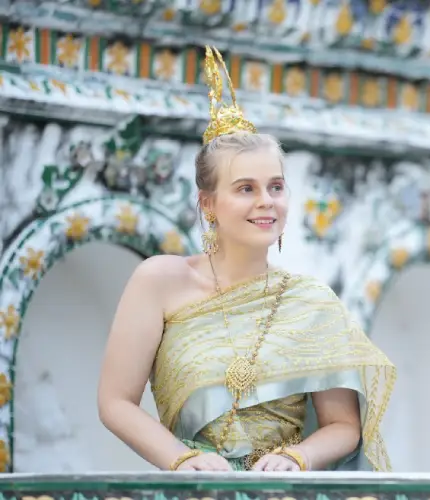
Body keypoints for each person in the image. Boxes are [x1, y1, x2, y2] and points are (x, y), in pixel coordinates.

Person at [97, 46, 396, 473]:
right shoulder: (158, 281)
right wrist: (182, 460)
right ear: (208, 203)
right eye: (245, 189)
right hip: (196, 487)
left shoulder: (311, 302)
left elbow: (343, 426)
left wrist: (296, 457)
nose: (266, 201)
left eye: (276, 186)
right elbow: (115, 402)